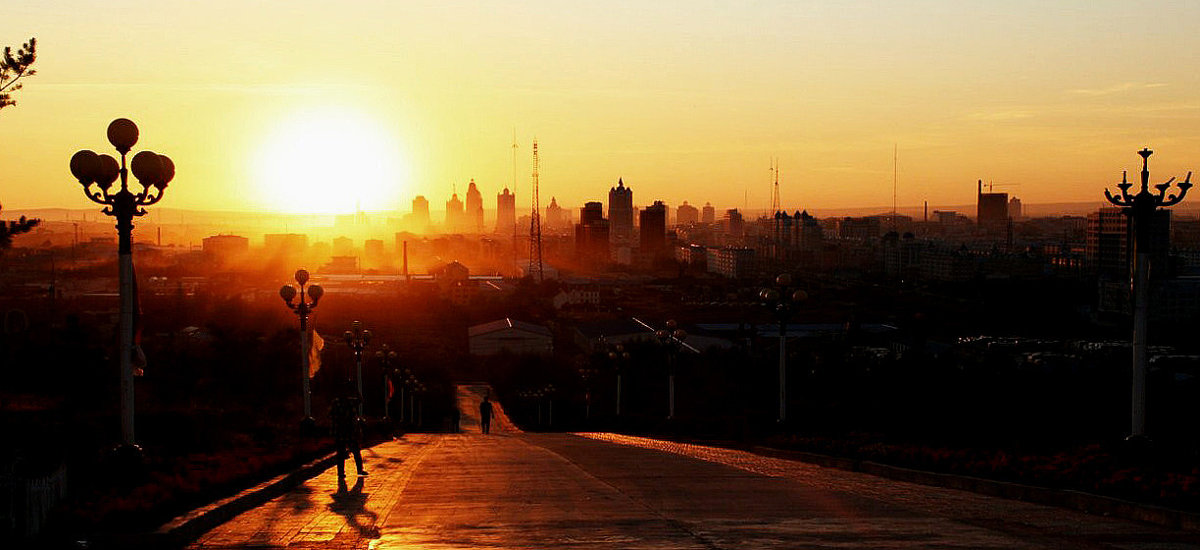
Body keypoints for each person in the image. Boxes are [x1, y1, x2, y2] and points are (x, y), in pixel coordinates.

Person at [330, 381, 367, 479]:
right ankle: (352, 471)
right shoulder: (345, 402)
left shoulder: (339, 402)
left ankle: (342, 473)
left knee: (343, 454)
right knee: (349, 453)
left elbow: (331, 416)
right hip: (347, 431)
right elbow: (360, 399)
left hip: (344, 431)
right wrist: (355, 389)